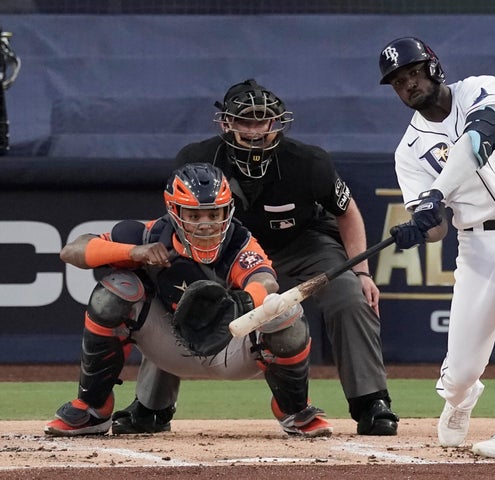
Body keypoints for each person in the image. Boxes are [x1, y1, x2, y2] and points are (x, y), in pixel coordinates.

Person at [118, 78, 398, 436]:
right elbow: (179, 217)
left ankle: (371, 402)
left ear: (275, 122)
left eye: (261, 121)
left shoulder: (309, 162)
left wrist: (362, 273)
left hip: (303, 245)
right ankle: (151, 406)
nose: (254, 130)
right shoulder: (196, 158)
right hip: (226, 249)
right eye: (244, 121)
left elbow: (347, 212)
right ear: (227, 123)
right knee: (184, 296)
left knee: (350, 296)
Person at [44, 163, 332, 438]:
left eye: (214, 214)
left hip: (230, 346)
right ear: (174, 212)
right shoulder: (150, 233)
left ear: (227, 212)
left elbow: (265, 280)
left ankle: (295, 410)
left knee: (284, 310)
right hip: (171, 346)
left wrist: (243, 302)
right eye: (195, 216)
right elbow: (72, 250)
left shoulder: (239, 240)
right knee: (114, 290)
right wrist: (133, 253)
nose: (206, 225)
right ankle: (93, 409)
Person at [379, 37, 495, 458]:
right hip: (478, 245)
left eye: (412, 72)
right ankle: (460, 398)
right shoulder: (409, 151)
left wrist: (436, 193)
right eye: (397, 81)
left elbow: (478, 142)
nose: (408, 84)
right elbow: (437, 229)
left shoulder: (483, 88)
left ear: (433, 67)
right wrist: (419, 228)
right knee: (460, 371)